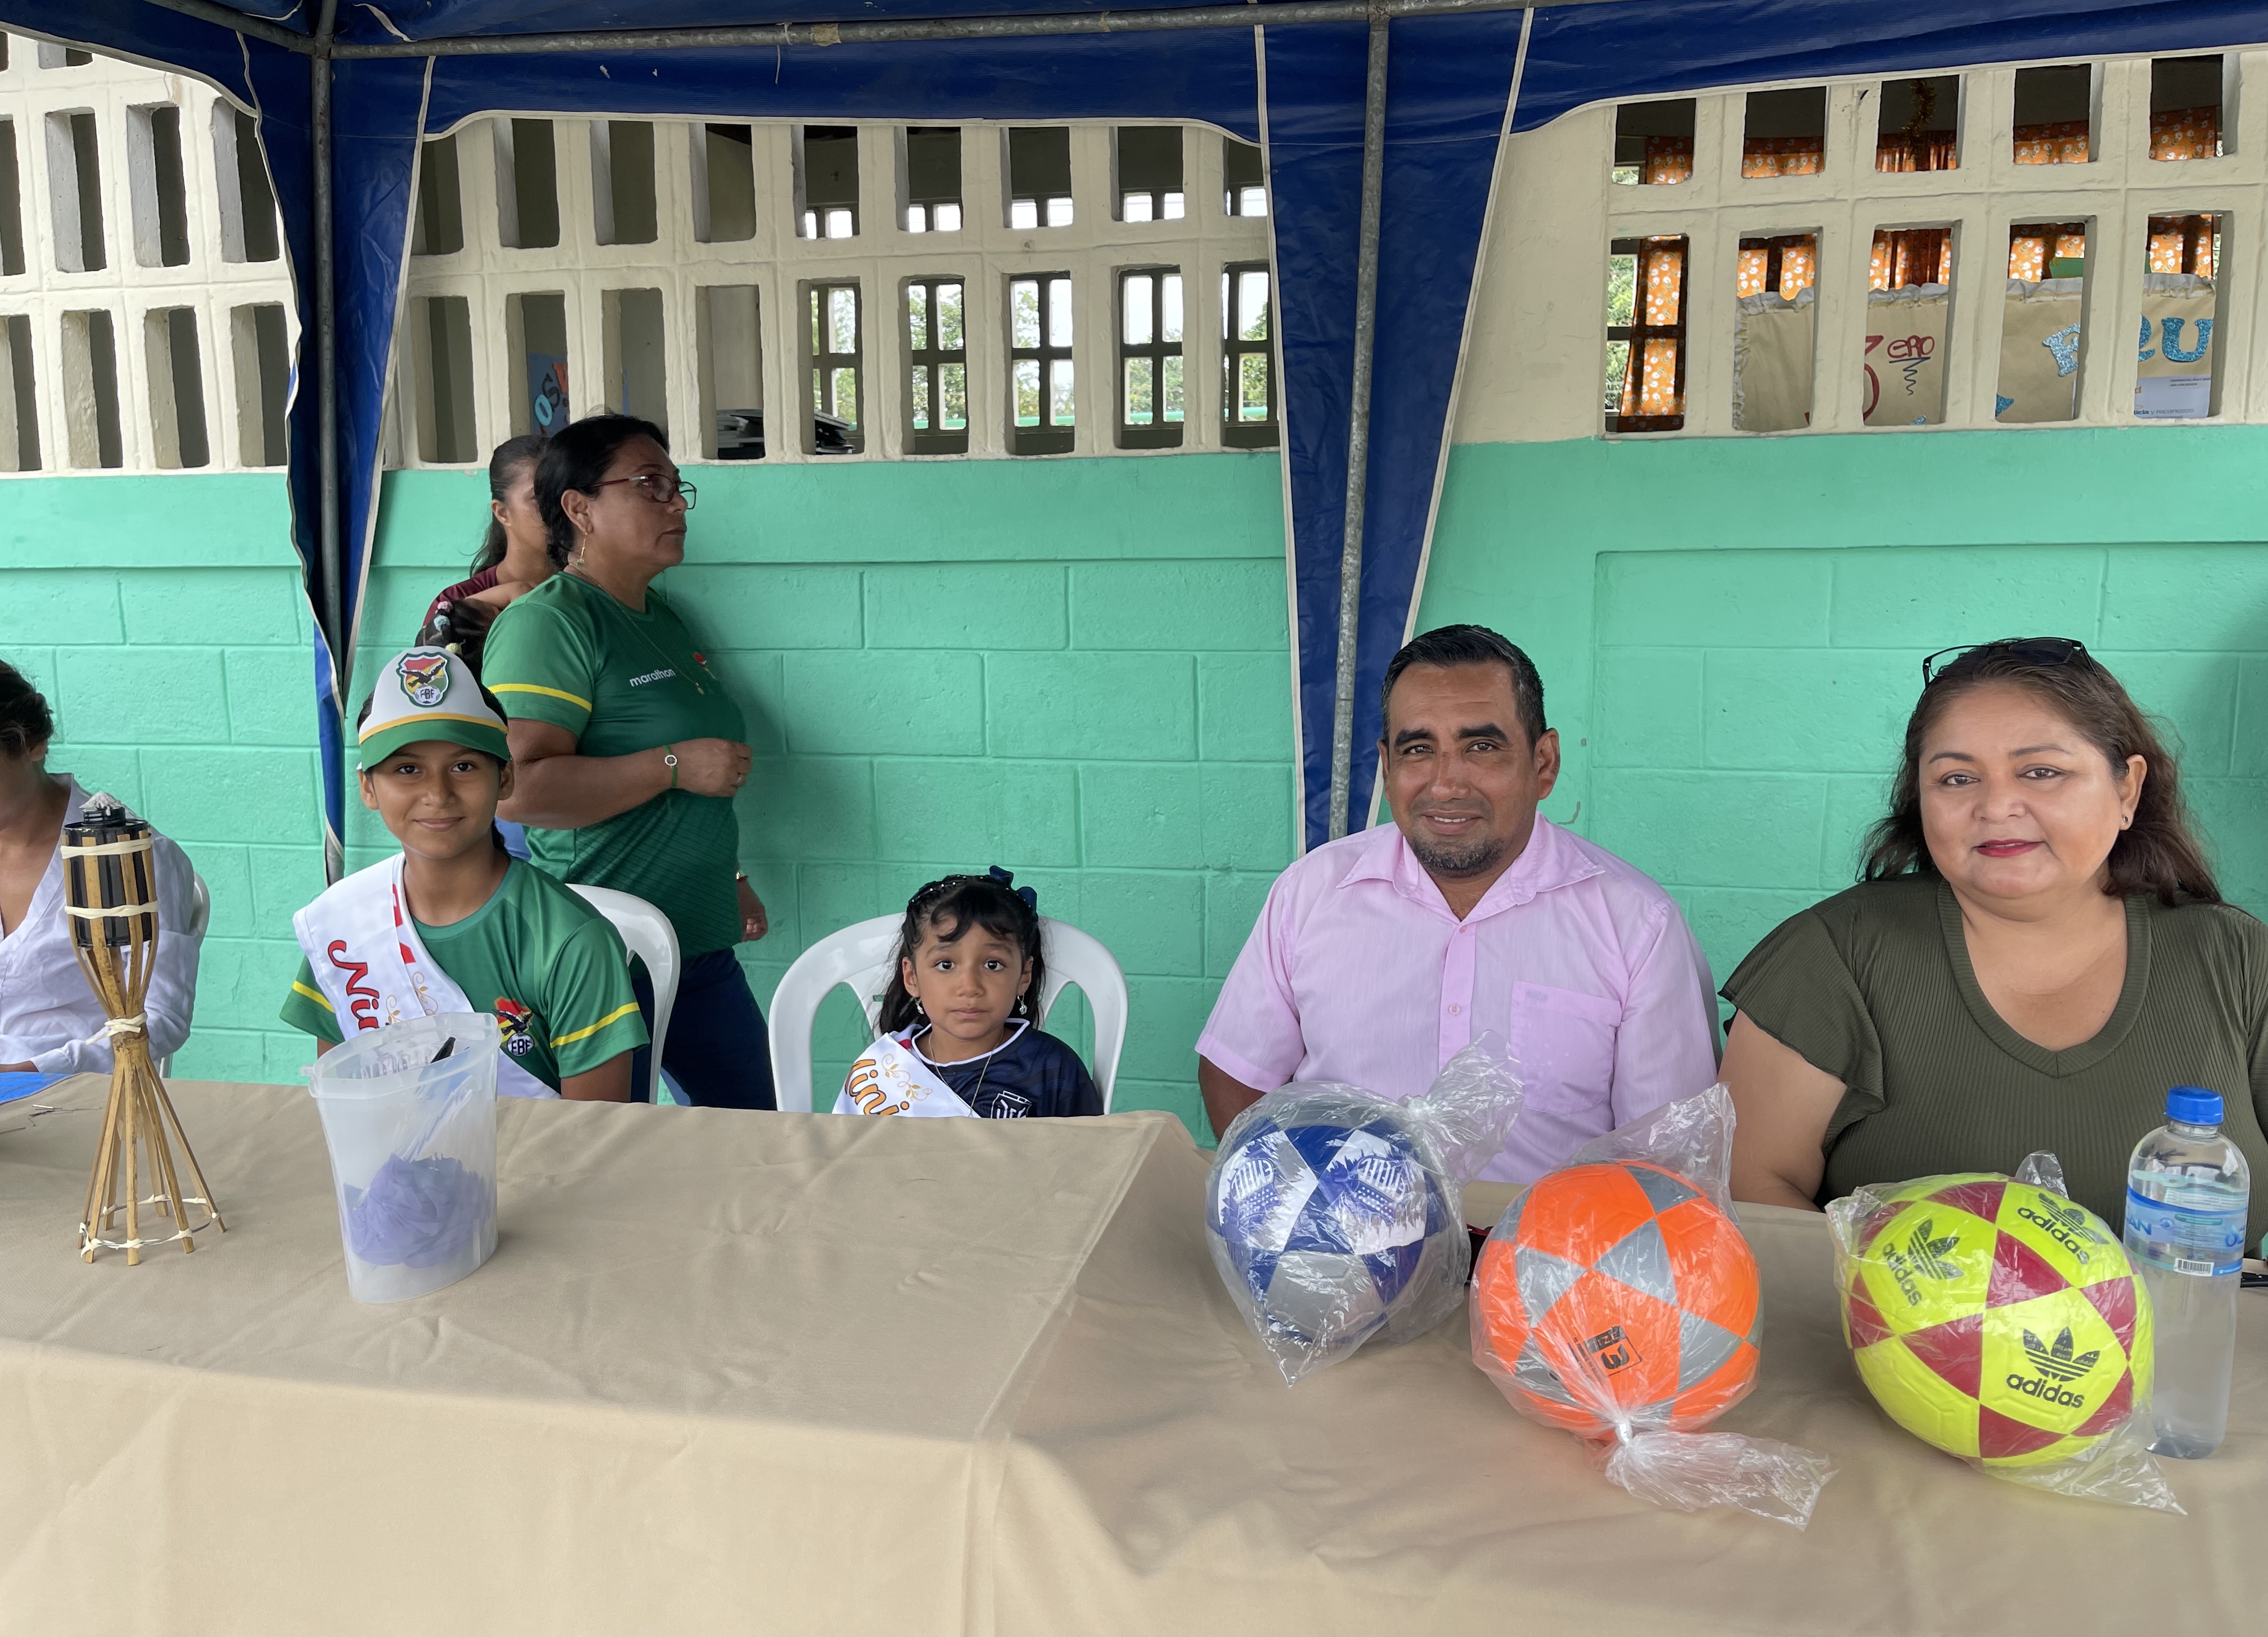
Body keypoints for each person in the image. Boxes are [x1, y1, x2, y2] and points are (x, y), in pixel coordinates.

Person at [1721, 637, 2268, 1243]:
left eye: (2041, 772)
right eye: (1957, 778)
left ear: (2127, 790)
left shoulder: (2240, 959)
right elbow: (1750, 1189)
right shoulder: (1834, 954)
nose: (1997, 805)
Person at [1196, 624, 1720, 1181]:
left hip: (1548, 1236)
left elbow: (1667, 1158)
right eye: (1419, 750)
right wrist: (1299, 1205)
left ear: (1544, 763)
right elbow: (1238, 1075)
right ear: (1388, 765)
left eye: (1481, 748)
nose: (1446, 785)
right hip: (1347, 1231)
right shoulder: (1312, 892)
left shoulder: (1637, 925)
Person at [480, 413, 775, 1108]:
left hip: (698, 944)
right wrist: (671, 765)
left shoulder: (662, 618)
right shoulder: (551, 622)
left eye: (677, 487)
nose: (676, 505)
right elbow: (515, 789)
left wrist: (731, 875)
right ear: (579, 509)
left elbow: (697, 777)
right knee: (611, 1148)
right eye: (650, 485)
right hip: (606, 952)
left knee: (760, 1133)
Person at [280, 648, 645, 1100]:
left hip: (530, 1148)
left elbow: (592, 1130)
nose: (438, 794)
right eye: (407, 769)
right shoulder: (343, 923)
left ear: (505, 778)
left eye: (464, 766)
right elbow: (341, 1098)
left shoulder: (572, 942)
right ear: (368, 788)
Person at [0, 659, 201, 1077]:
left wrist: (34, 1070)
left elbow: (161, 1017)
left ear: (32, 744)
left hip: (72, 1094)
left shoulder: (126, 859)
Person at [834, 868, 1102, 1120]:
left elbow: (1091, 1152)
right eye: (946, 965)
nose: (970, 986)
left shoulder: (1052, 1068)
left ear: (1024, 975)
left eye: (993, 965)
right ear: (912, 977)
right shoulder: (881, 1070)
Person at [418, 434, 552, 677]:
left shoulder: (592, 587)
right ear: (502, 512)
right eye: (538, 497)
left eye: (563, 492)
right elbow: (432, 687)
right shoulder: (454, 603)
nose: (557, 507)